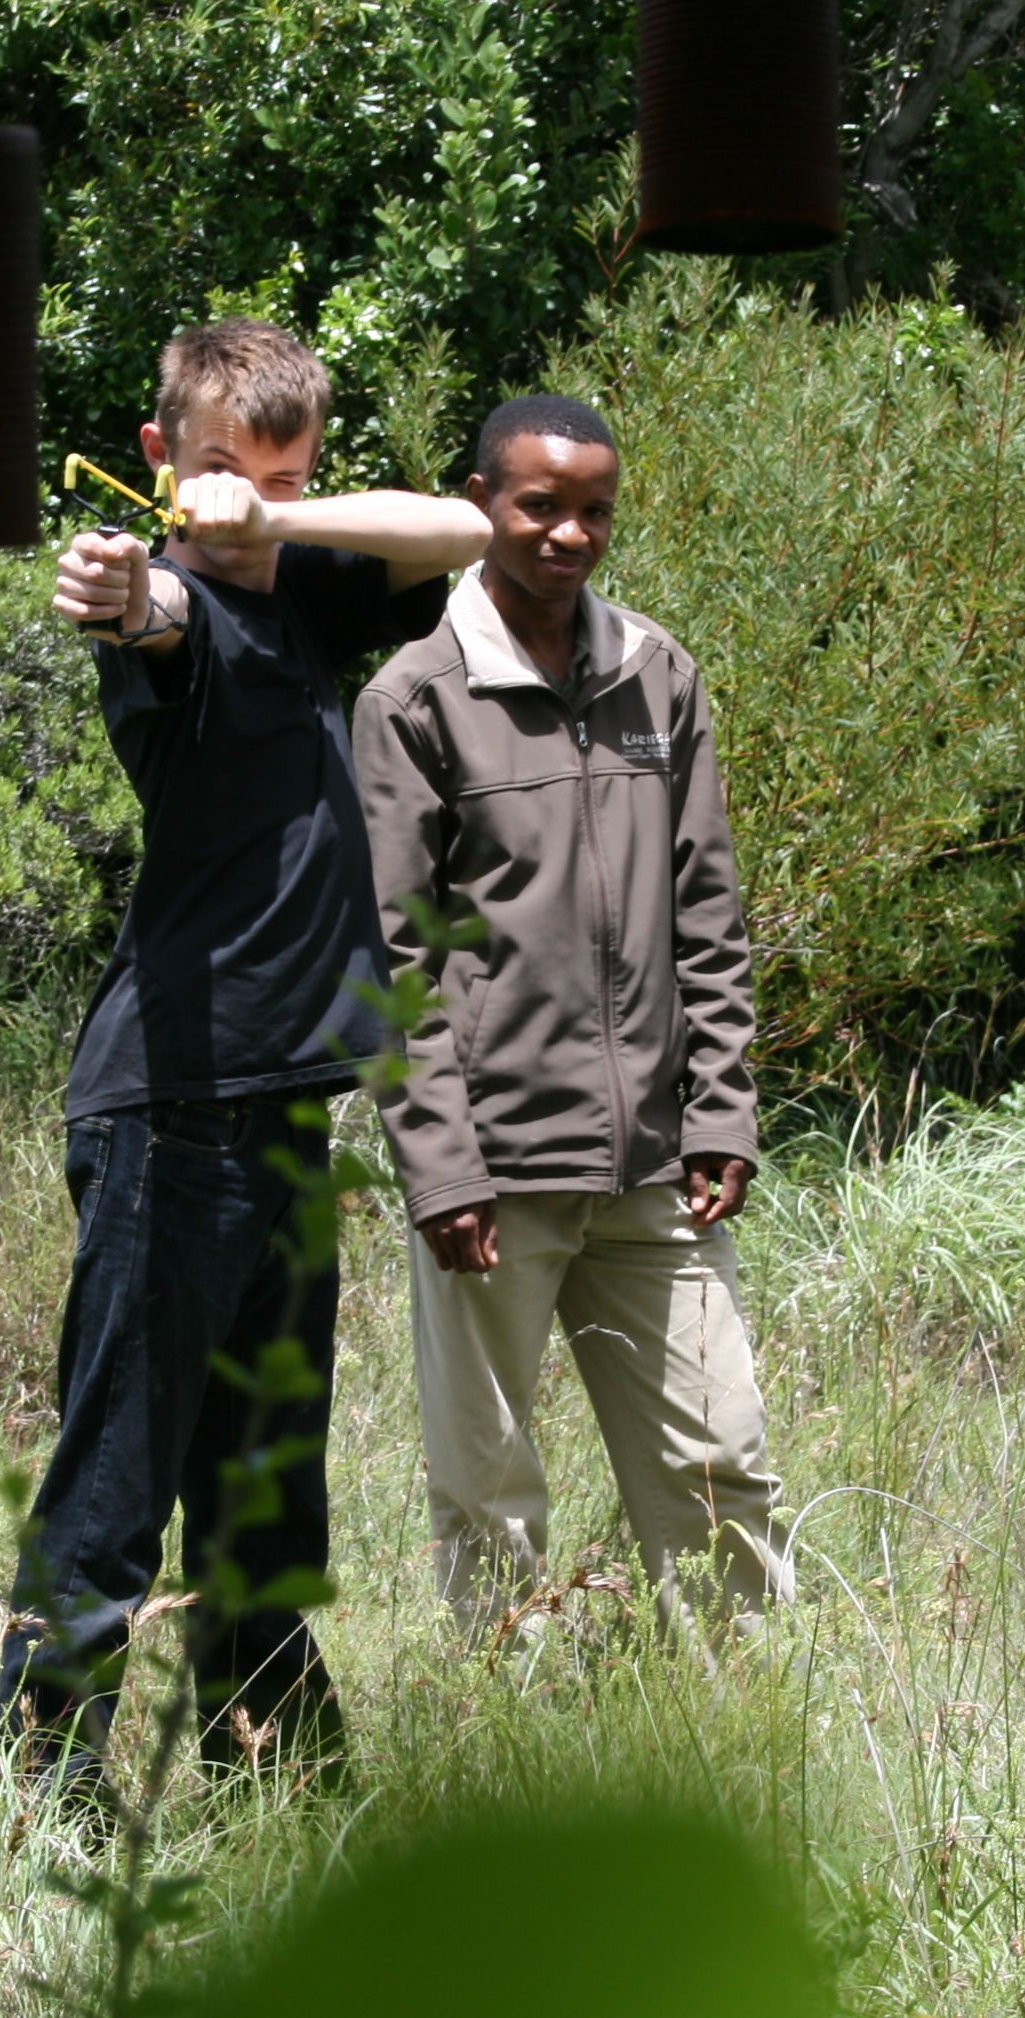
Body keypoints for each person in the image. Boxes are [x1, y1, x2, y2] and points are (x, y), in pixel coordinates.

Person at [3, 319, 489, 1788]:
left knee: (267, 1484)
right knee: (117, 1474)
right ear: (161, 455)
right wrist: (129, 576)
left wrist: (271, 514)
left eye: (282, 466)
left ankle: (277, 1769)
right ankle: (47, 1791)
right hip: (169, 1106)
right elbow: (128, 601)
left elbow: (461, 522)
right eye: (217, 462)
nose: (245, 492)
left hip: (281, 1105)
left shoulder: (304, 587)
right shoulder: (181, 609)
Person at [353, 394, 791, 1633]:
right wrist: (441, 1170)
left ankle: (745, 1742)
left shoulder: (659, 672)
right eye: (540, 505)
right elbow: (395, 956)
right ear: (480, 501)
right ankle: (509, 1751)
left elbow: (707, 909)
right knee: (489, 1494)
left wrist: (724, 1113)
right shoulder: (415, 698)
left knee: (721, 1469)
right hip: (495, 1179)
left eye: (594, 510)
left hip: (657, 1166)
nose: (568, 534)